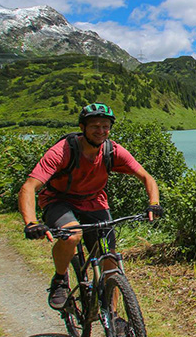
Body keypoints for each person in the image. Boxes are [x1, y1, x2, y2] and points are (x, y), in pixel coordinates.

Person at [18, 102, 163, 310]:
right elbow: (29, 187)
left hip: (94, 201)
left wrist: (153, 204)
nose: (101, 131)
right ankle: (60, 280)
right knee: (73, 234)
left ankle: (113, 316)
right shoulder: (62, 151)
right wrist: (31, 222)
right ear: (82, 127)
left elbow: (146, 177)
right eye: (95, 126)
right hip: (59, 200)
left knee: (109, 260)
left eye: (105, 126)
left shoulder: (112, 150)